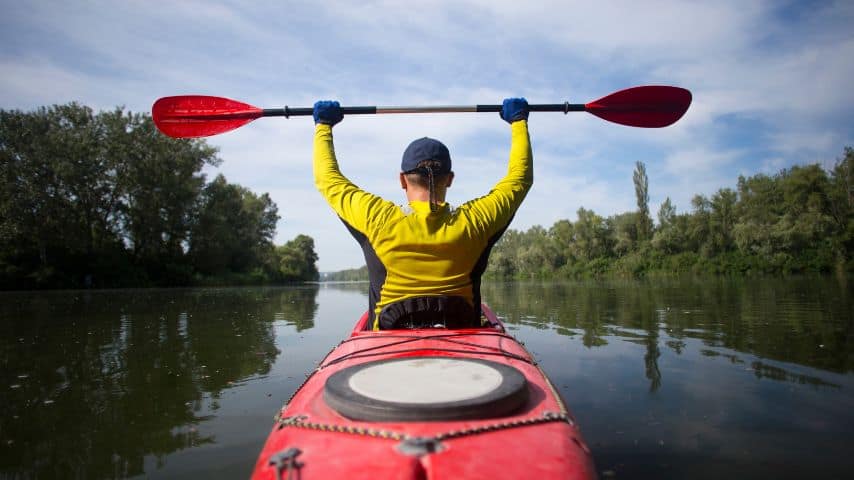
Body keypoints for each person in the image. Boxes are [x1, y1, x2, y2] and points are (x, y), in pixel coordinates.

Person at [313, 98, 532, 330]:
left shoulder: (376, 219)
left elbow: (328, 180)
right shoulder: (476, 221)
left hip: (387, 344)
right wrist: (518, 122)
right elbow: (519, 180)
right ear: (450, 179)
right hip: (463, 337)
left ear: (402, 180)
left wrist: (324, 126)